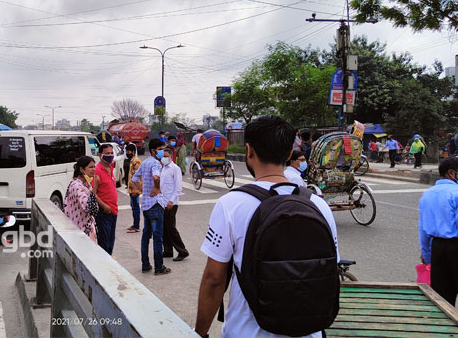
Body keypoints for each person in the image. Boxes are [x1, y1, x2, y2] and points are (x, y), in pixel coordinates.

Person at [195, 115, 339, 338]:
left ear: (249, 151)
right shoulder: (318, 204)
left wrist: (200, 332)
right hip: (309, 333)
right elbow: (331, 268)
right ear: (290, 154)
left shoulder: (231, 204)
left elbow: (214, 279)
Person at [418, 156, 458, 306]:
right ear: (451, 173)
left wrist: (427, 255)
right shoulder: (456, 193)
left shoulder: (427, 195)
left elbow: (423, 229)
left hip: (438, 249)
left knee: (443, 300)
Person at [132, 139, 171, 275]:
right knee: (157, 237)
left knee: (145, 236)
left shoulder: (145, 162)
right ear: (154, 150)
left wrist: (143, 190)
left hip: (147, 205)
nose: (162, 151)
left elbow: (134, 179)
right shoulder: (155, 163)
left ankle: (145, 264)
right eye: (160, 149)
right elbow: (156, 177)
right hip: (156, 204)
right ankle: (159, 267)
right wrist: (157, 187)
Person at [161, 147, 188, 261]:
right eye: (163, 156)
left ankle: (182, 251)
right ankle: (168, 250)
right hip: (163, 202)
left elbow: (178, 188)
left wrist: (171, 200)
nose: (164, 158)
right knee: (164, 228)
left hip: (171, 203)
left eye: (167, 156)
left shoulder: (175, 169)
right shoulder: (164, 168)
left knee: (171, 228)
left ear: (171, 156)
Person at [64, 156, 99, 243]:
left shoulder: (85, 184)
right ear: (82, 169)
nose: (94, 169)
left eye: (94, 167)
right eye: (91, 167)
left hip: (86, 230)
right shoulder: (77, 186)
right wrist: (95, 188)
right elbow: (91, 209)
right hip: (81, 232)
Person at [92, 144, 118, 254]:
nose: (110, 155)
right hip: (104, 212)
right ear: (99, 155)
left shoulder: (110, 167)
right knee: (104, 244)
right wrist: (104, 206)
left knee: (111, 242)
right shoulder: (97, 171)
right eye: (107, 153)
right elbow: (92, 192)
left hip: (113, 210)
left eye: (111, 153)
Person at [125, 144, 142, 233]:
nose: (127, 153)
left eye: (129, 151)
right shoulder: (132, 161)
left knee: (135, 207)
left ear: (133, 152)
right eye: (126, 151)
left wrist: (135, 189)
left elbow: (137, 176)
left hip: (135, 189)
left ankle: (136, 226)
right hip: (131, 188)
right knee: (133, 206)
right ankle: (135, 224)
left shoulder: (136, 161)